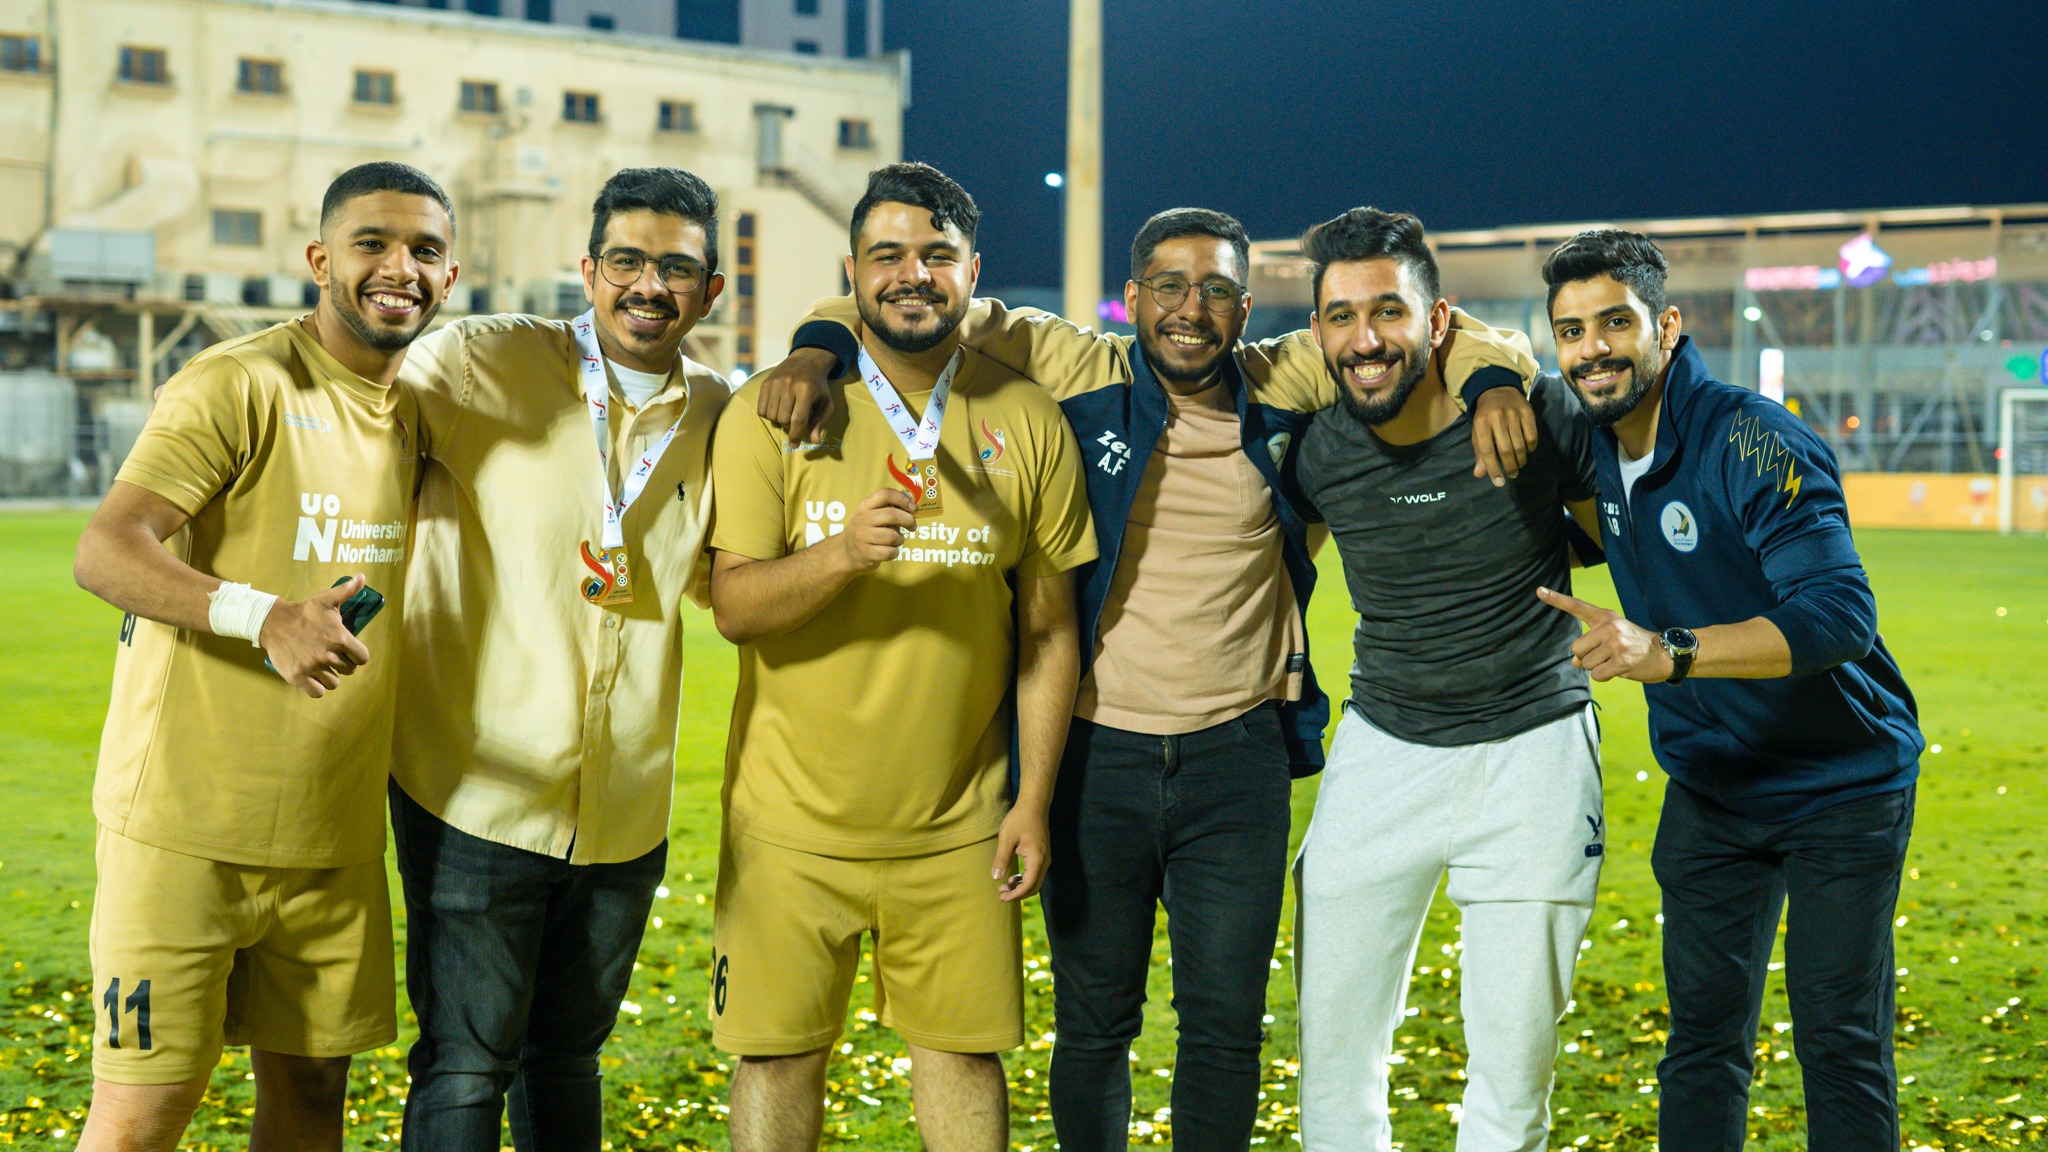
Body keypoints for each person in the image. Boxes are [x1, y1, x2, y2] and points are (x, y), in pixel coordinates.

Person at [749, 211, 1540, 1152]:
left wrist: (1494, 382)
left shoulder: (1286, 377)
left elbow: (1454, 331)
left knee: (1225, 1030)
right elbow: (918, 300)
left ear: (1245, 307)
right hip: (1095, 756)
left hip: (1237, 759)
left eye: (1216, 290)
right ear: (1133, 299)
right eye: (1168, 286)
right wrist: (815, 347)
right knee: (1093, 1026)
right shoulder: (1073, 364)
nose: (1190, 309)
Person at [706, 162, 1096, 1152]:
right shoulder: (773, 409)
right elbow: (734, 607)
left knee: (963, 1057)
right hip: (788, 823)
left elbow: (1049, 632)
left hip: (959, 827)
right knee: (775, 1058)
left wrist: (1031, 801)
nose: (911, 275)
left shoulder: (1027, 417)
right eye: (886, 255)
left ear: (973, 273)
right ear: (852, 274)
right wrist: (841, 556)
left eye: (936, 255)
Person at [69, 161, 457, 1152]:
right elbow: (107, 548)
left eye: (425, 250)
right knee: (144, 1111)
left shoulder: (425, 409)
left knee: (314, 1101)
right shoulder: (238, 382)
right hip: (186, 830)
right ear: (320, 260)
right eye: (372, 243)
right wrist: (264, 616)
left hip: (333, 835)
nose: (400, 268)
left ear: (450, 278)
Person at [1534, 229, 1923, 1152]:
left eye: (1615, 323)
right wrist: (1491, 397)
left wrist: (1669, 651)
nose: (1592, 349)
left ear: (1666, 326)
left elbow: (1838, 615)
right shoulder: (1594, 448)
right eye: (1571, 330)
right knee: (1701, 1044)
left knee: (1839, 1042)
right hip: (1712, 788)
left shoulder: (1752, 436)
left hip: (1840, 785)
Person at [387, 168, 730, 1150]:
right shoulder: (479, 361)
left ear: (711, 290)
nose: (648, 286)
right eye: (626, 261)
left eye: (676, 268)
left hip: (625, 804)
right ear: (588, 271)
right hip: (476, 791)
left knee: (569, 1058)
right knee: (465, 1064)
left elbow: (722, 580)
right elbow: (342, 411)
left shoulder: (721, 413)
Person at [1283, 208, 1607, 1152]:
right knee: (1332, 1060)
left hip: (1535, 754)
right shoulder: (1315, 450)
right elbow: (1277, 578)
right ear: (1318, 333)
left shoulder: (1538, 416)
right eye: (1341, 316)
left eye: (1389, 311)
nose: (1365, 339)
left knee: (1512, 1076)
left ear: (1439, 321)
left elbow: (1622, 532)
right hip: (1382, 751)